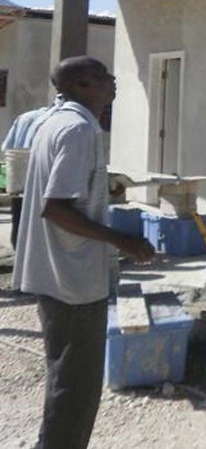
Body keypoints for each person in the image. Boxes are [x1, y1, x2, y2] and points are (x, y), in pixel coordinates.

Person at [12, 57, 155, 449]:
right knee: (75, 390)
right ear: (81, 84)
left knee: (66, 381)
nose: (113, 83)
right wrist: (121, 240)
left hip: (56, 275)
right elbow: (55, 207)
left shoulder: (55, 123)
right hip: (71, 280)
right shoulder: (77, 129)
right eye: (106, 77)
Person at [2, 94, 64, 249]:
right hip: (47, 188)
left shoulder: (25, 118)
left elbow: (8, 150)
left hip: (19, 184)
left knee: (20, 235)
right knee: (43, 240)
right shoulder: (67, 121)